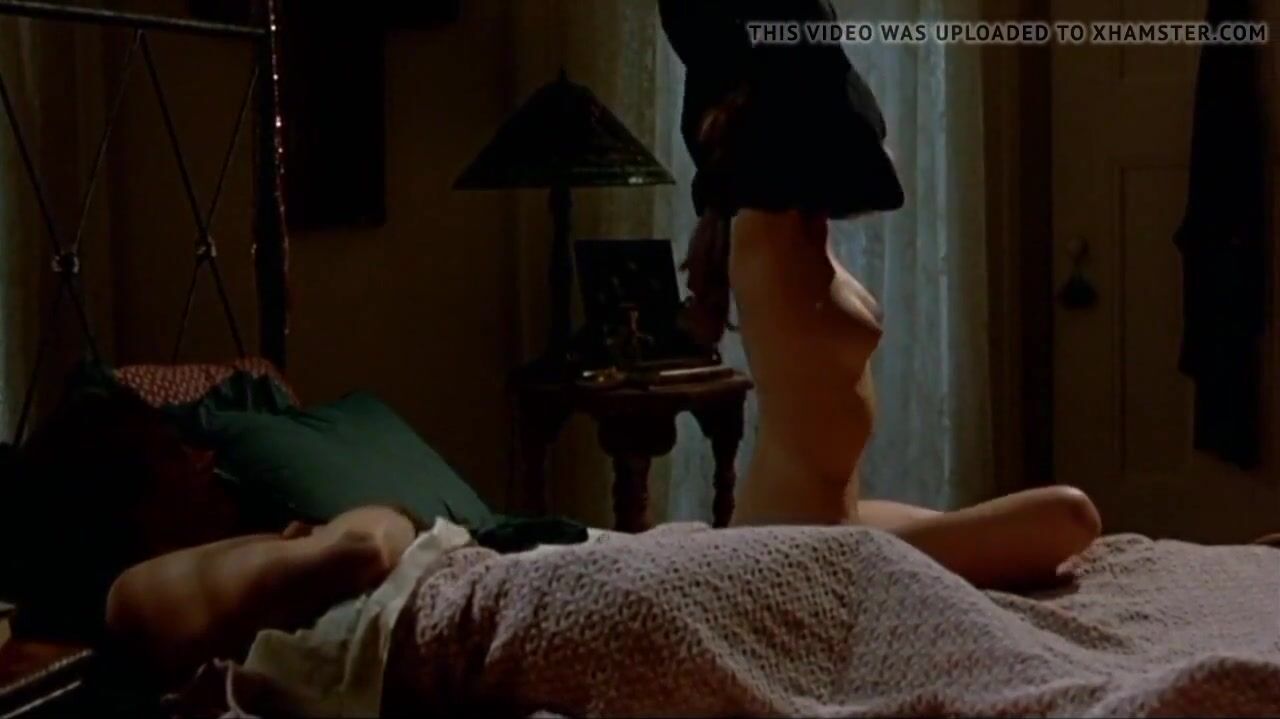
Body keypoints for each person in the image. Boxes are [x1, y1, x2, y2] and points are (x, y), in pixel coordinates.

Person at [660, 0, 1102, 589]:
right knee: (1072, 516)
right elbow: (771, 81)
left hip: (836, 516)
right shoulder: (764, 229)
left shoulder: (801, 225)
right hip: (796, 539)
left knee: (1040, 521)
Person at [104, 505, 422, 682]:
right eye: (171, 452)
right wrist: (394, 522)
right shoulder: (135, 594)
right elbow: (367, 551)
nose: (204, 455)